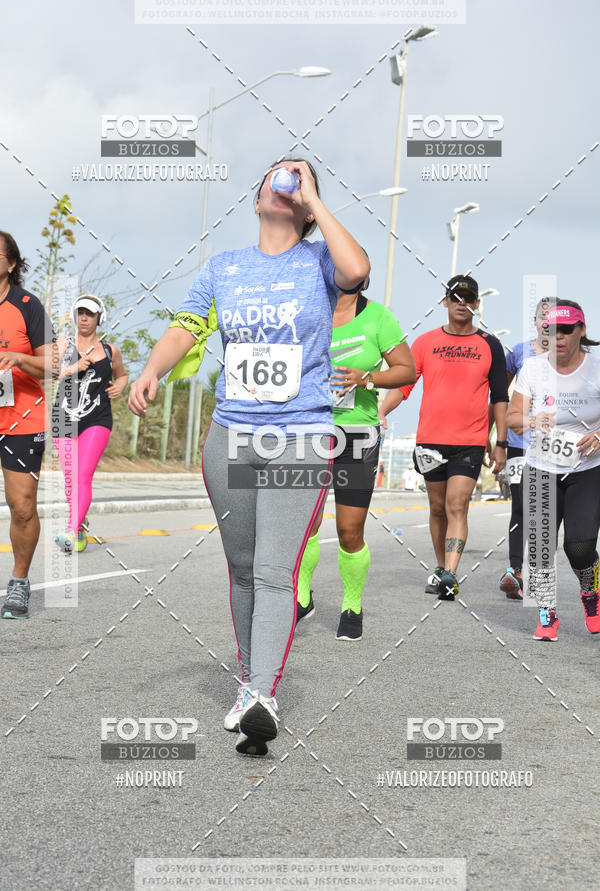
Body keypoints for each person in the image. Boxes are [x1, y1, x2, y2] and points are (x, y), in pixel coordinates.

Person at [129, 159, 369, 755]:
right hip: (233, 435)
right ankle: (246, 682)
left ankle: (263, 693)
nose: (285, 181)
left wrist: (316, 203)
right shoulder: (224, 268)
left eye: (299, 176)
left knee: (273, 568)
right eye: (278, 174)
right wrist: (151, 370)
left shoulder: (319, 262)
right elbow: (186, 327)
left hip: (300, 435)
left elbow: (358, 270)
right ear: (256, 193)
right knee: (241, 566)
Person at [295, 278, 415, 640]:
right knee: (305, 524)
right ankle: (302, 598)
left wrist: (369, 378)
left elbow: (407, 370)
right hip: (308, 430)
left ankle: (352, 604)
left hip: (356, 434)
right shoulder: (304, 310)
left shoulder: (378, 317)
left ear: (361, 278)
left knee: (349, 531)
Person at [379, 275, 509, 599]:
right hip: (430, 442)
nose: (461, 303)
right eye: (455, 297)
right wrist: (382, 412)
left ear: (477, 304)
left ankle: (450, 574)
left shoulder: (490, 344)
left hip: (469, 442)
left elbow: (500, 397)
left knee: (456, 505)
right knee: (437, 508)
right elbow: (405, 385)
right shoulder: (424, 343)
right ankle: (440, 567)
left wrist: (500, 441)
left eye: (468, 298)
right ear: (445, 302)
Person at [507, 300, 600, 641]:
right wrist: (531, 419)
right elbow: (512, 418)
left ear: (581, 331)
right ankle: (547, 615)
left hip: (587, 468)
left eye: (566, 330)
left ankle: (591, 594)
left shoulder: (596, 367)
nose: (558, 337)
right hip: (541, 467)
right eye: (551, 330)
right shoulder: (532, 369)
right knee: (542, 547)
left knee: (580, 547)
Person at [0, 231, 56, 620]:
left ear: (11, 263)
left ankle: (19, 582)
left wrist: (19, 359)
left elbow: (52, 365)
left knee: (21, 507)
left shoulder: (26, 306)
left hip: (20, 415)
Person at [52, 294, 127, 553]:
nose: (84, 318)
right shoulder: (63, 345)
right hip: (63, 418)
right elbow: (45, 375)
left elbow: (123, 375)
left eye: (90, 314)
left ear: (99, 318)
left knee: (83, 473)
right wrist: (72, 368)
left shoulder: (110, 350)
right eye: (80, 312)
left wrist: (120, 385)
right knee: (71, 479)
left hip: (97, 419)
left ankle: (71, 531)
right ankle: (80, 525)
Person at [498, 295, 558, 599]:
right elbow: (500, 394)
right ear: (535, 321)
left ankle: (538, 574)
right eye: (542, 315)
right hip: (519, 443)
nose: (547, 320)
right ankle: (514, 572)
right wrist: (494, 436)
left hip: (554, 445)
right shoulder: (518, 353)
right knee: (520, 506)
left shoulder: (569, 354)